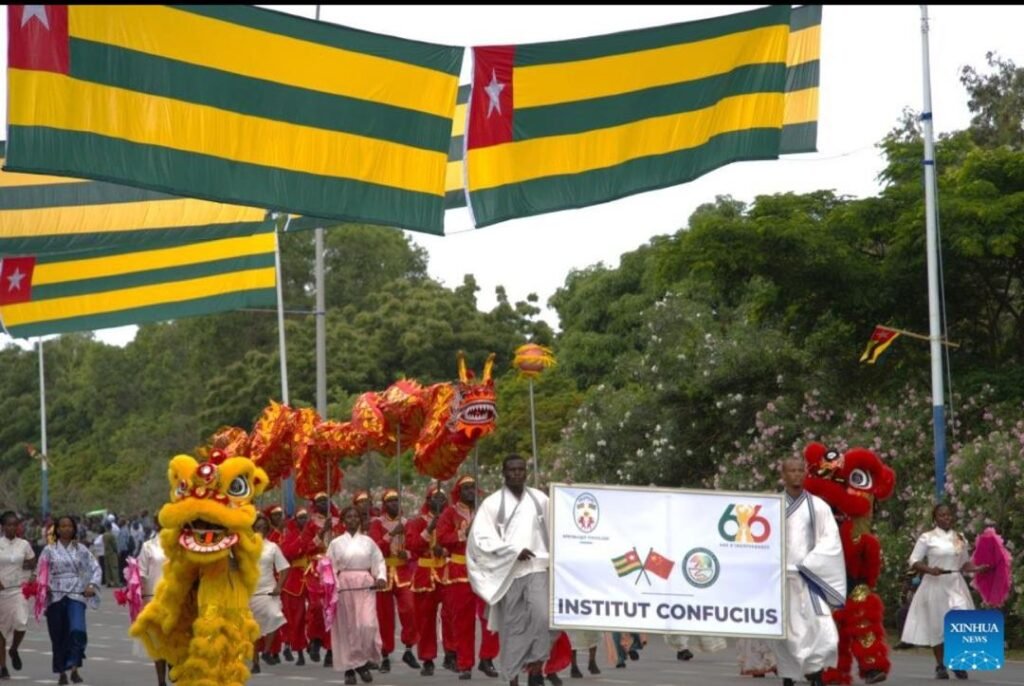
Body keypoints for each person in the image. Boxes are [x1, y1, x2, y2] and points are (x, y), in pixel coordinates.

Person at [468, 454, 561, 686]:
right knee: (513, 628)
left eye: (521, 469)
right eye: (512, 470)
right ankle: (512, 678)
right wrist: (512, 551)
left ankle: (537, 668)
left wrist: (566, 497)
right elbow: (480, 540)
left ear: (526, 472)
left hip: (538, 567)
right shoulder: (491, 504)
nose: (517, 473)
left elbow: (560, 523)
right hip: (508, 574)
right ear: (504, 473)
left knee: (543, 617)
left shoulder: (540, 499)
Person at [772, 455, 846, 686]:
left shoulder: (818, 507)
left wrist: (811, 564)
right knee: (785, 634)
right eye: (791, 471)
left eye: (799, 470)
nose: (796, 475)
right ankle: (788, 677)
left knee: (822, 629)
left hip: (809, 578)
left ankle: (815, 674)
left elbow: (830, 541)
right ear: (783, 475)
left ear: (805, 473)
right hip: (780, 580)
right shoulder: (769, 506)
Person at [900, 503, 988, 680]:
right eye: (942, 515)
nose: (946, 518)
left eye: (948, 515)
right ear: (935, 518)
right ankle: (940, 665)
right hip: (934, 586)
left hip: (955, 585)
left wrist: (977, 569)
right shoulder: (927, 537)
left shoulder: (959, 538)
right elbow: (914, 560)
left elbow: (964, 563)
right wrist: (929, 569)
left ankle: (957, 662)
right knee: (938, 625)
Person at [437, 475, 501, 680]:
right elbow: (442, 538)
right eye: (466, 488)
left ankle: (487, 658)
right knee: (462, 621)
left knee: (490, 616)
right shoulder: (449, 513)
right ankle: (465, 663)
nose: (470, 491)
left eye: (473, 488)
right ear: (458, 491)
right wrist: (464, 534)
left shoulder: (486, 511)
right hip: (459, 569)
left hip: (484, 569)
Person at [34, 515, 102, 685]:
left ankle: (74, 666)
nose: (66, 529)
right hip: (55, 595)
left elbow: (95, 568)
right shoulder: (49, 550)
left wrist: (91, 586)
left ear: (74, 528)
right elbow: (39, 572)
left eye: (69, 526)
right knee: (58, 636)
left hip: (76, 594)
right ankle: (63, 673)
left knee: (77, 630)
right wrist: (44, 584)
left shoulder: (81, 549)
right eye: (62, 526)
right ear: (56, 529)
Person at [327, 505, 387, 685]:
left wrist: (381, 577)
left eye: (356, 517)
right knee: (348, 628)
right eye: (349, 517)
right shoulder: (335, 543)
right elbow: (328, 568)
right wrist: (333, 585)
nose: (353, 520)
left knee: (367, 624)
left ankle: (363, 660)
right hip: (344, 587)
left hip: (365, 586)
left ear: (359, 520)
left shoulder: (369, 542)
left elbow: (379, 561)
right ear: (343, 522)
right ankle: (350, 669)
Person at [367, 489, 420, 673]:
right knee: (384, 616)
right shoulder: (376, 524)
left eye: (396, 500)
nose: (394, 504)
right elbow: (374, 548)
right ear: (384, 504)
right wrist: (391, 535)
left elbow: (416, 547)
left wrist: (410, 553)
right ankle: (386, 654)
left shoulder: (407, 523)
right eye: (390, 501)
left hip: (403, 573)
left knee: (410, 609)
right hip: (383, 572)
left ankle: (408, 648)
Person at [404, 485, 449, 676]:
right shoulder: (416, 522)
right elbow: (413, 545)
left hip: (447, 571)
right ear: (428, 501)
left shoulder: (450, 520)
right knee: (425, 618)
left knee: (451, 616)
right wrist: (430, 529)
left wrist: (445, 550)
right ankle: (428, 658)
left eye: (442, 499)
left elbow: (459, 544)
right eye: (435, 498)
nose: (439, 502)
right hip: (425, 572)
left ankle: (452, 653)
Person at [250, 513, 289, 675]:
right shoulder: (245, 547)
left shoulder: (273, 547)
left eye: (264, 528)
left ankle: (266, 652)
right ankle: (255, 661)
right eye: (258, 528)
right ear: (253, 529)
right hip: (250, 592)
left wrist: (279, 587)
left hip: (269, 591)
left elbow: (284, 568)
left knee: (275, 616)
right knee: (253, 629)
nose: (261, 530)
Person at [0, 511, 36, 680]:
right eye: (8, 524)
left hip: (19, 589)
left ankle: (14, 648)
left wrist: (32, 578)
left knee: (21, 623)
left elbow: (32, 564)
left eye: (15, 524)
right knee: (1, 630)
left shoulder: (24, 544)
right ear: (2, 526)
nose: (12, 527)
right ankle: (3, 667)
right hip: (2, 592)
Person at [133, 521, 168, 686]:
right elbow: (141, 573)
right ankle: (161, 681)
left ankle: (174, 668)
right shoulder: (148, 547)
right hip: (153, 598)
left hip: (176, 599)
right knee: (157, 643)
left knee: (175, 640)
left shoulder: (181, 545)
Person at [102, 522, 120, 588]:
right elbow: (114, 545)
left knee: (107, 569)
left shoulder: (104, 535)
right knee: (114, 568)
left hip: (106, 553)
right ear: (111, 528)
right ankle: (116, 582)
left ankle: (108, 582)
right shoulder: (111, 535)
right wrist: (117, 552)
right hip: (112, 553)